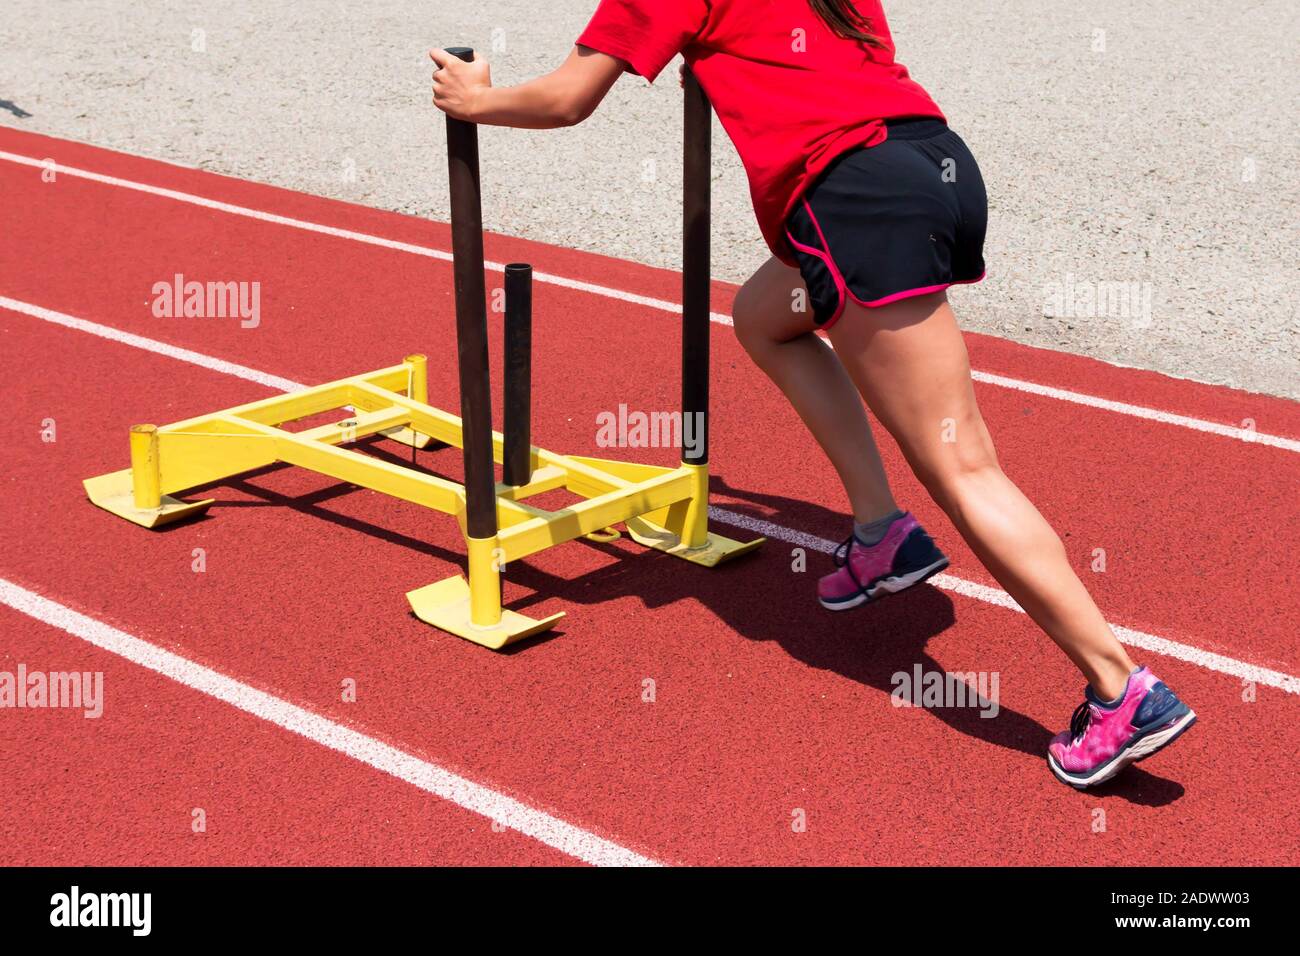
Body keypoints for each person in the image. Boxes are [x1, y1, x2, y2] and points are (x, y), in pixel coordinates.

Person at [429, 0, 1196, 788]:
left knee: (961, 463)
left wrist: (476, 100)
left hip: (855, 198)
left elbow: (568, 99)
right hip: (930, 163)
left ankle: (1119, 689)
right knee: (765, 319)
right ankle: (881, 531)